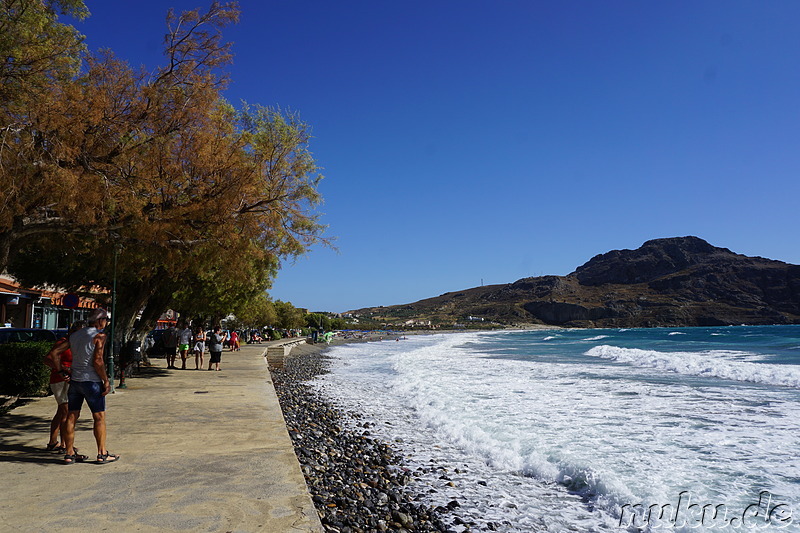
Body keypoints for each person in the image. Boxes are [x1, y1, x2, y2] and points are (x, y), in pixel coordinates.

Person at [45, 308, 119, 465]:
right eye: (106, 320)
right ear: (99, 321)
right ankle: (102, 453)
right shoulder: (99, 336)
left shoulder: (75, 335)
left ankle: (69, 453)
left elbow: (54, 353)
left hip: (75, 382)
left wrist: (60, 370)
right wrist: (105, 380)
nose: (106, 323)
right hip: (91, 381)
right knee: (99, 417)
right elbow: (98, 361)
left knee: (71, 416)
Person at [43, 320, 86, 453]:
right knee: (68, 413)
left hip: (70, 380)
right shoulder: (62, 343)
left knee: (61, 412)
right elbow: (48, 359)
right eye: (78, 332)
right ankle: (65, 445)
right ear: (72, 331)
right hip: (59, 380)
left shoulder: (77, 344)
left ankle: (53, 442)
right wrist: (64, 369)